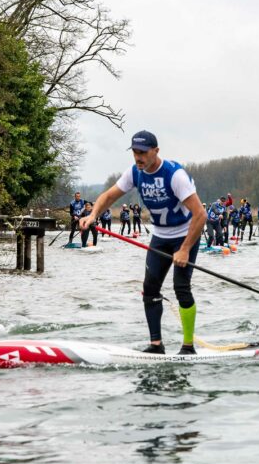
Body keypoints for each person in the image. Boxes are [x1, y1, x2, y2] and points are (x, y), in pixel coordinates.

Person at [80, 131, 207, 355]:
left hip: (185, 234)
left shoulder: (174, 175)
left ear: (155, 151)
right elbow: (109, 196)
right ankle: (156, 345)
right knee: (150, 288)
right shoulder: (135, 173)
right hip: (160, 236)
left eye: (143, 153)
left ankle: (188, 347)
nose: (138, 157)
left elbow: (201, 214)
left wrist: (185, 249)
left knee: (181, 288)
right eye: (135, 152)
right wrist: (93, 216)